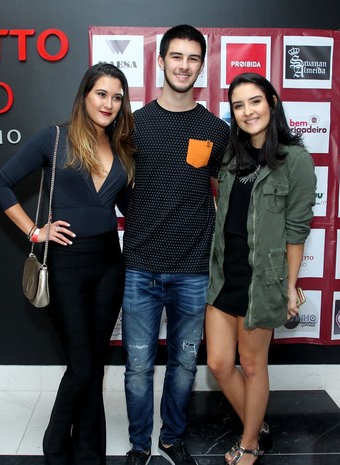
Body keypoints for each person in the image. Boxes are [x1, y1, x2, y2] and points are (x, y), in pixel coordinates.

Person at [0, 62, 135, 465]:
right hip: (66, 265)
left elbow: (123, 205)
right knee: (83, 365)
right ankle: (56, 446)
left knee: (92, 362)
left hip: (109, 264)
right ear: (85, 95)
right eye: (101, 94)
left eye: (117, 97)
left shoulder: (122, 148)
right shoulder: (55, 138)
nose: (108, 103)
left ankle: (89, 453)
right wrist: (36, 232)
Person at [121, 25, 230, 465]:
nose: (184, 66)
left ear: (201, 66)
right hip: (140, 267)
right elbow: (116, 186)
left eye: (193, 58)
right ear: (160, 61)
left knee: (185, 365)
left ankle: (172, 438)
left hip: (193, 270)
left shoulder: (215, 129)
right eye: (176, 57)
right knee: (138, 368)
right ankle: (138, 444)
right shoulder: (133, 124)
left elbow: (228, 191)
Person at [205, 72, 317, 465]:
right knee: (219, 363)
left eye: (254, 101)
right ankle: (257, 423)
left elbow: (296, 228)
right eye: (238, 105)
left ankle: (250, 442)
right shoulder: (231, 156)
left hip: (262, 279)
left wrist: (290, 286)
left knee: (253, 366)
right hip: (223, 273)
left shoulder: (296, 159)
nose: (248, 111)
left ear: (271, 100)